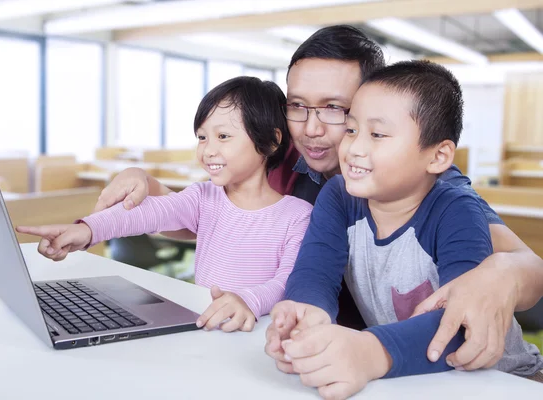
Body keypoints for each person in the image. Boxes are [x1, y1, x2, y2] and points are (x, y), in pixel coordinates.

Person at [94, 25, 543, 371]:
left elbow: (526, 269)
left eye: (335, 109)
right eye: (298, 105)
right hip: (320, 347)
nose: (312, 128)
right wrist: (149, 188)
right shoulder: (285, 157)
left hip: (403, 358)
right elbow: (215, 219)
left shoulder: (426, 186)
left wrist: (502, 272)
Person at [270, 60, 543, 399]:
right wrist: (306, 311)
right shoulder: (338, 196)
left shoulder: (456, 210)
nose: (354, 147)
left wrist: (369, 351)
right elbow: (315, 270)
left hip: (500, 380)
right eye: (352, 130)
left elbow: (459, 324)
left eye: (377, 134)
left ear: (438, 156)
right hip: (411, 377)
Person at [16, 77, 313, 333]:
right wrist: (87, 230)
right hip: (205, 329)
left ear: (271, 141)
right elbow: (150, 213)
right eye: (201, 137)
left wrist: (248, 300)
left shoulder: (298, 216)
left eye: (223, 136)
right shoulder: (202, 197)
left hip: (257, 337)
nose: (208, 150)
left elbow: (288, 281)